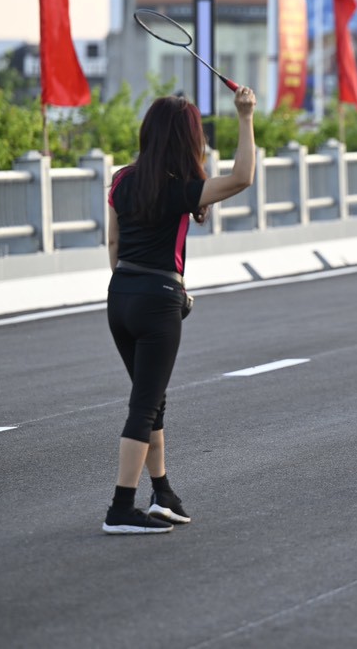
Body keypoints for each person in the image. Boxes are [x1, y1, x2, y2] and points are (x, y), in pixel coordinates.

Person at [101, 86, 257, 534]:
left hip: (120, 295)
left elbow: (112, 243)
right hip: (158, 300)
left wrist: (133, 287)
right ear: (189, 140)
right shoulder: (180, 190)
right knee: (144, 404)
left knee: (152, 399)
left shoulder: (121, 180)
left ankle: (162, 492)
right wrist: (245, 116)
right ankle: (121, 508)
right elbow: (242, 177)